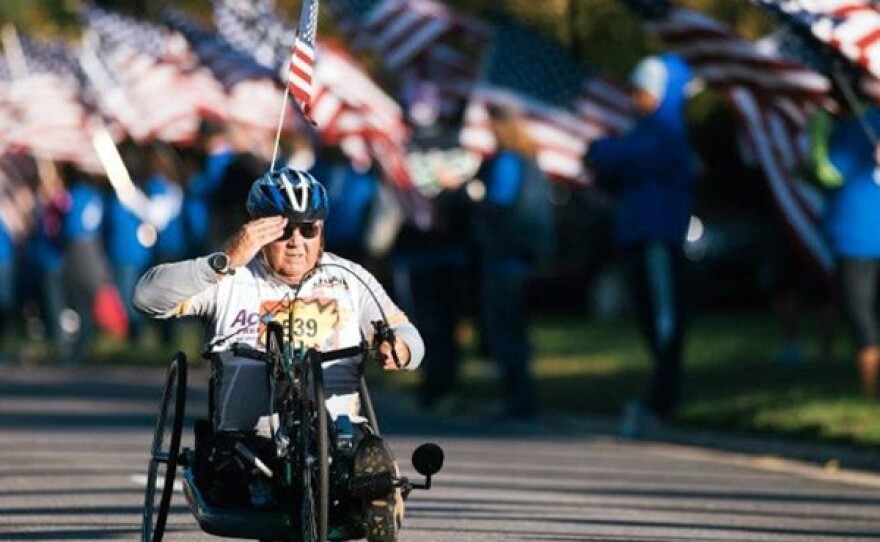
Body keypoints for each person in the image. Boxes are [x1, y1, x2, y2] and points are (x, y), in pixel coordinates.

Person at [133, 167, 423, 542]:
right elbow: (145, 298)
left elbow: (409, 335)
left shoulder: (350, 279)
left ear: (321, 230)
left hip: (337, 438)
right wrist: (222, 261)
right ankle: (322, 491)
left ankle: (375, 487)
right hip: (249, 442)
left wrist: (398, 347)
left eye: (308, 229)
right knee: (247, 478)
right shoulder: (229, 279)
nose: (296, 242)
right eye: (283, 230)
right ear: (257, 228)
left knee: (357, 457)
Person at [587, 53, 696, 436]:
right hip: (639, 234)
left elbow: (626, 159)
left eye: (641, 91)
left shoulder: (665, 131)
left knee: (665, 320)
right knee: (651, 318)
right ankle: (661, 395)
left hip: (658, 237)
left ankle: (663, 399)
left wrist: (601, 152)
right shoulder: (643, 130)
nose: (635, 98)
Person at [471, 103, 555, 421]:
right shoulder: (530, 162)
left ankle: (518, 399)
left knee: (506, 330)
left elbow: (499, 203)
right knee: (515, 330)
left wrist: (472, 198)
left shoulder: (506, 162)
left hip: (505, 257)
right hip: (523, 256)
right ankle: (521, 396)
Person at [809, 92, 880, 399]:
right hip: (852, 239)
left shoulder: (861, 126)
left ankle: (871, 393)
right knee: (861, 316)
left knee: (861, 315)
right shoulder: (845, 126)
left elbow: (827, 171)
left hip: (855, 237)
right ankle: (871, 396)